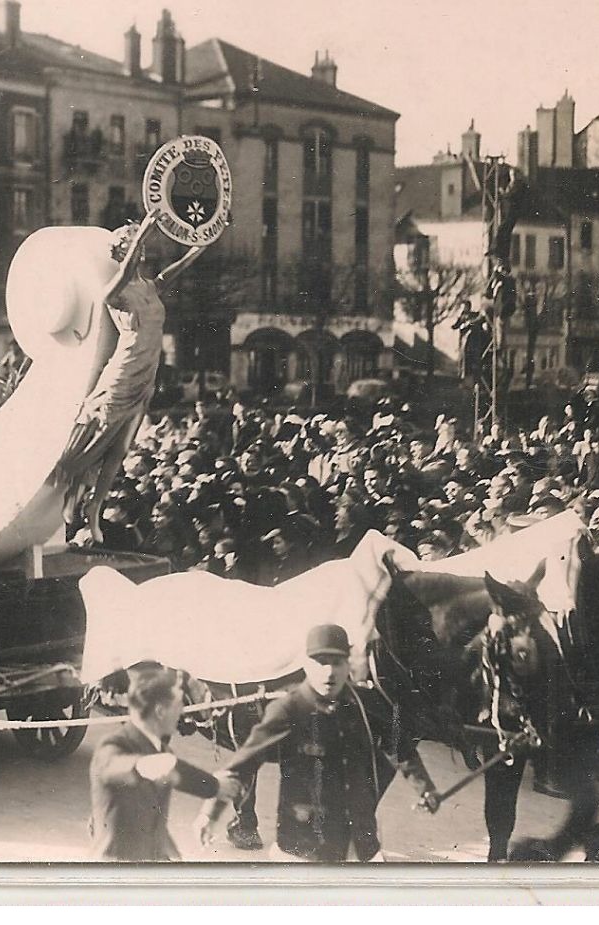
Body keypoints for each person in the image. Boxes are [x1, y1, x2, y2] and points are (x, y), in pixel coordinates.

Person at [194, 624, 440, 862]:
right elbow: (243, 765)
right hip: (303, 849)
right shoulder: (289, 709)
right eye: (320, 662)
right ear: (305, 664)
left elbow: (399, 746)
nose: (329, 672)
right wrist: (210, 813)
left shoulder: (365, 704)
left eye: (337, 662)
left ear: (349, 664)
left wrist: (425, 787)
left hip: (359, 847)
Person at [54, 211, 202, 544]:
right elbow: (123, 273)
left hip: (147, 373)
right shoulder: (114, 290)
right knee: (99, 437)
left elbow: (175, 271)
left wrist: (200, 246)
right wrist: (144, 232)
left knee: (120, 449)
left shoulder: (149, 287)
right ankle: (69, 498)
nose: (140, 250)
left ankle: (94, 510)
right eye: (132, 243)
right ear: (122, 251)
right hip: (124, 372)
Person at [88, 666, 237, 861]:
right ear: (160, 711)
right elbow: (114, 767)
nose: (182, 712)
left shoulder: (162, 751)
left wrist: (215, 787)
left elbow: (173, 776)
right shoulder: (114, 745)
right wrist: (141, 767)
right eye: (178, 705)